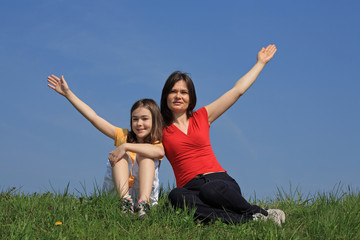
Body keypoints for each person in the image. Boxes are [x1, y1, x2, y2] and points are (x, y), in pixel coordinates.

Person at [160, 44, 286, 225]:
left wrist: (260, 63)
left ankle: (255, 211)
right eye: (173, 91)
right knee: (175, 195)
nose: (178, 96)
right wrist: (123, 145)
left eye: (184, 92)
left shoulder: (202, 116)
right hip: (190, 188)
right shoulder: (160, 129)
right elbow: (129, 135)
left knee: (210, 190)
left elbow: (237, 91)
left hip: (219, 183)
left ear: (191, 97)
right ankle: (250, 219)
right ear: (166, 96)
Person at [47, 75, 164, 217]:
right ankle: (125, 203)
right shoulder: (124, 136)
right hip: (118, 192)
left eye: (144, 119)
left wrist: (126, 146)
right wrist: (68, 94)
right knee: (120, 156)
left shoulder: (155, 143)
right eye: (135, 119)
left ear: (154, 121)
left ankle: (143, 204)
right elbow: (94, 117)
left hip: (144, 193)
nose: (139, 123)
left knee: (146, 157)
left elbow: (159, 152)